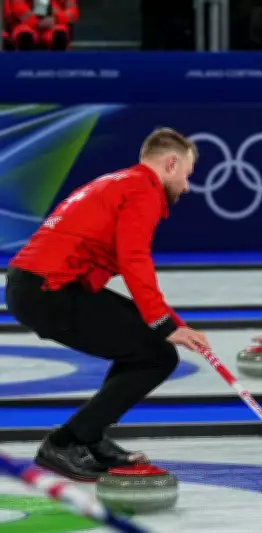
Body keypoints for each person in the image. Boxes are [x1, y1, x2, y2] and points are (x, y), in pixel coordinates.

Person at [5, 128, 209, 481]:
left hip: (39, 285)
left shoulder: (120, 182)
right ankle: (66, 442)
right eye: (187, 176)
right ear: (171, 162)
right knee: (156, 356)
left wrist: (175, 324)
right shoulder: (143, 190)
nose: (187, 187)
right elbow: (134, 259)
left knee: (146, 347)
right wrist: (164, 324)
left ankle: (90, 436)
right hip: (48, 292)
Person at [3, 0, 78, 51]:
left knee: (60, 35)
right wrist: (36, 22)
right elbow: (17, 8)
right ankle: (26, 69)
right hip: (25, 25)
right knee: (24, 36)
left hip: (53, 24)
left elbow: (72, 11)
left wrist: (56, 19)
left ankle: (58, 68)